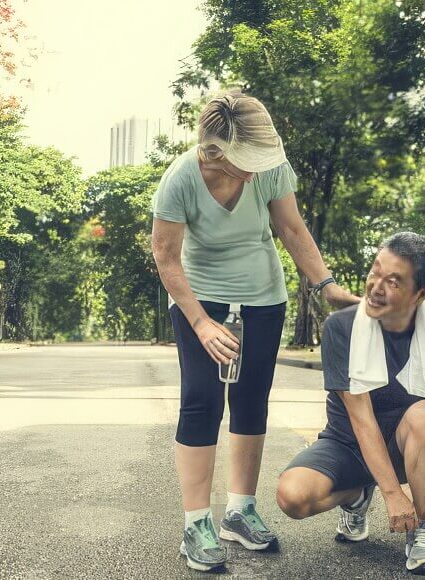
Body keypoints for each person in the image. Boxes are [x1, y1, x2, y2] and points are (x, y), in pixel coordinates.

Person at [151, 91, 359, 572]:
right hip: (199, 295)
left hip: (263, 296)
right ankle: (196, 523)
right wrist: (200, 321)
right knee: (202, 399)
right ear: (215, 151)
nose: (254, 168)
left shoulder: (269, 170)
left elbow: (291, 228)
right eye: (246, 160)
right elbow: (165, 255)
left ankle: (240, 511)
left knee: (251, 399)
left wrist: (324, 283)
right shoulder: (180, 180)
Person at [276, 232, 425, 576]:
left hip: (407, 448)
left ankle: (420, 533)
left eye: (393, 281)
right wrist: (390, 492)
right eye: (375, 271)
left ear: (421, 294)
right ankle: (358, 493)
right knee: (292, 496)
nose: (376, 287)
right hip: (347, 443)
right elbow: (361, 420)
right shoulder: (342, 327)